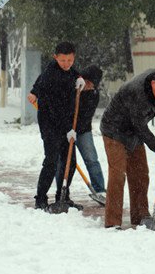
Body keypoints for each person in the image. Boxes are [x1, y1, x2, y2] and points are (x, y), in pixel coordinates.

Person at [100, 68, 155, 229]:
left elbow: (138, 128)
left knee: (141, 173)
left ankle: (140, 215)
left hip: (133, 133)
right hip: (114, 130)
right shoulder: (137, 94)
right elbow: (141, 128)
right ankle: (113, 222)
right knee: (118, 174)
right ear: (154, 83)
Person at [27, 42, 85, 212]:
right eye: (62, 60)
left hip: (66, 122)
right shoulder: (51, 74)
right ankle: (41, 199)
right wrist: (34, 92)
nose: (66, 64)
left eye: (69, 60)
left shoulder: (69, 71)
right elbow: (53, 104)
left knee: (70, 162)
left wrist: (79, 77)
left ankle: (63, 196)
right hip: (50, 122)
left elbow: (72, 73)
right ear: (55, 58)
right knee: (52, 161)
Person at [55, 65, 106, 203]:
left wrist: (76, 130)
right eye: (88, 83)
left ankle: (100, 189)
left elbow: (85, 117)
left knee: (91, 159)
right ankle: (62, 191)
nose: (89, 87)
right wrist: (68, 129)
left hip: (83, 131)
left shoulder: (93, 95)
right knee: (64, 163)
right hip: (65, 131)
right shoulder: (70, 89)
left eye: (92, 84)